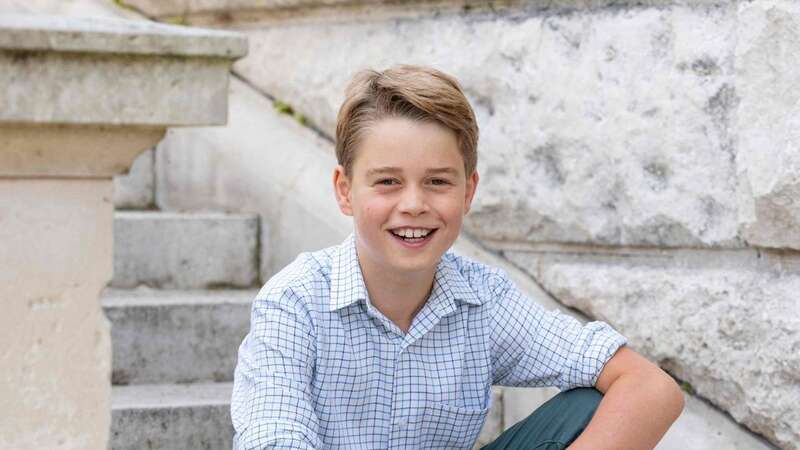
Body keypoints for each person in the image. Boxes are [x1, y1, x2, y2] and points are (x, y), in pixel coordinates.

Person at [231, 65, 685, 449]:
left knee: (591, 405)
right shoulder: (295, 302)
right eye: (387, 181)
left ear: (468, 192)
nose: (413, 204)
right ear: (344, 191)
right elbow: (276, 438)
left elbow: (653, 388)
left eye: (437, 182)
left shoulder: (483, 302)